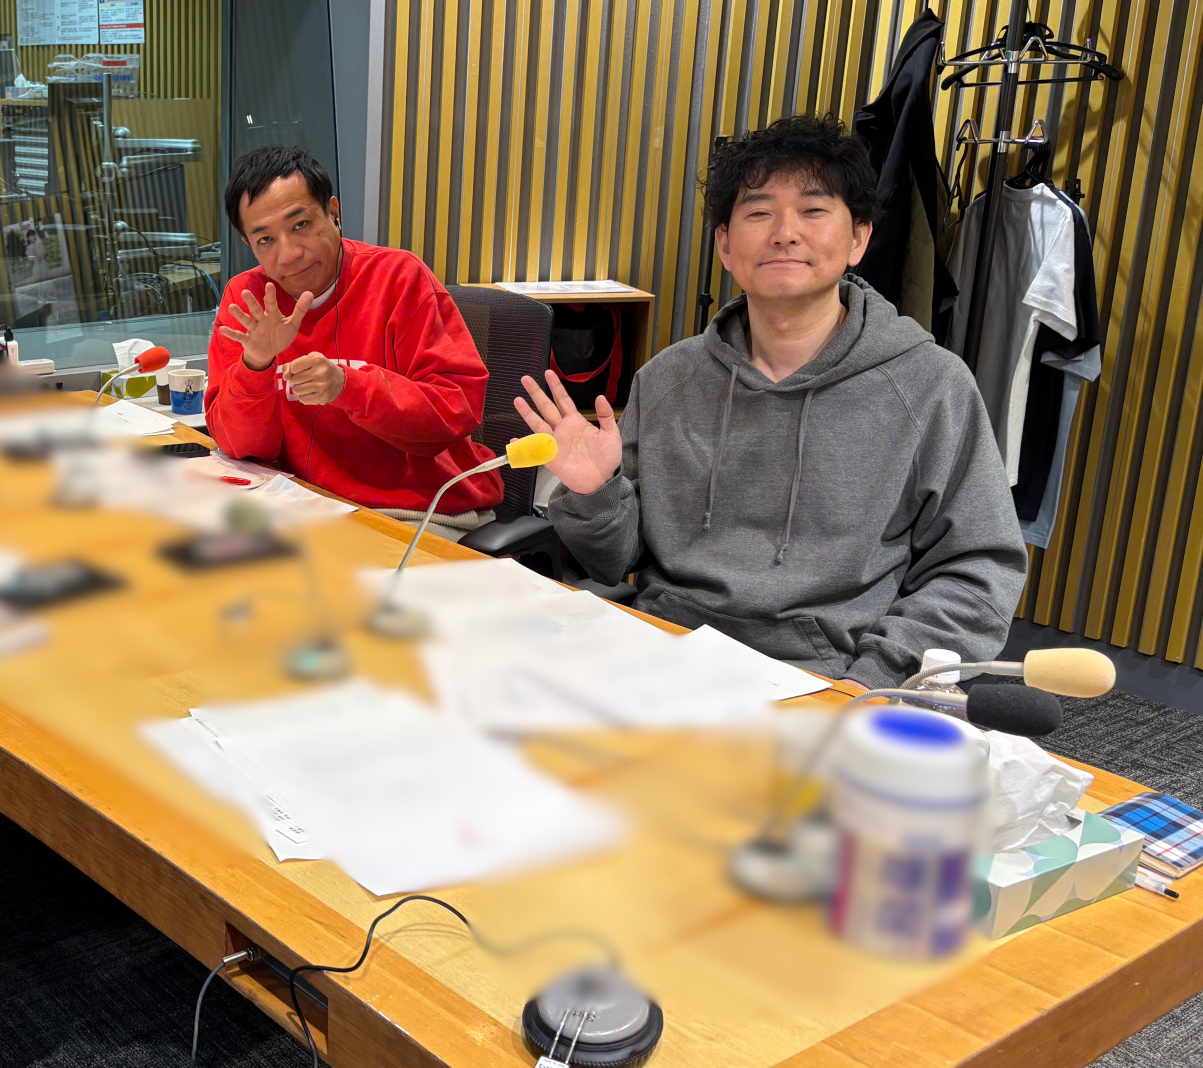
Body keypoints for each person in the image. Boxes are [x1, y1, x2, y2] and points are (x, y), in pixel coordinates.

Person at [519, 113, 1026, 689]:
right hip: (659, 656)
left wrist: (875, 680)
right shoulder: (669, 379)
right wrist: (595, 494)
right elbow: (614, 562)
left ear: (858, 239)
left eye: (813, 210)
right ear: (725, 245)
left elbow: (977, 570)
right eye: (759, 213)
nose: (785, 232)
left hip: (829, 680)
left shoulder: (930, 386)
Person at [206, 146, 503, 530]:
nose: (289, 254)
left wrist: (348, 387)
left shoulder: (399, 278)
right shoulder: (248, 300)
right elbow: (241, 447)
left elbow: (453, 412)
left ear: (334, 213)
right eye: (266, 240)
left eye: (300, 225)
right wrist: (256, 366)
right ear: (249, 244)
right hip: (309, 503)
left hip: (419, 507)